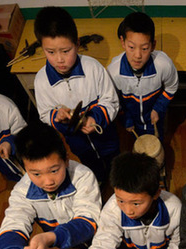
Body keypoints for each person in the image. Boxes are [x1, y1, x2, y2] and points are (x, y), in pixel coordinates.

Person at [0, 123, 101, 249]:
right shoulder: (22, 191)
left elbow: (87, 222)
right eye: (36, 174)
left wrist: (50, 237)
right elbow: (12, 225)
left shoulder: (83, 177)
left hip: (98, 236)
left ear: (66, 160)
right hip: (67, 240)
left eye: (54, 170)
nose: (48, 181)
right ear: (25, 167)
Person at [33, 6, 120, 183]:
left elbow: (111, 101)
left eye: (66, 51)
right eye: (50, 52)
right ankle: (100, 182)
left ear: (77, 44)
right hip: (78, 143)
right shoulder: (41, 80)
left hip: (106, 137)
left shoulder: (93, 67)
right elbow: (44, 114)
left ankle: (115, 180)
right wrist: (56, 117)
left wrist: (95, 119)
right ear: (42, 48)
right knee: (92, 167)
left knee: (114, 163)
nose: (59, 59)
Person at [107, 12, 179, 141]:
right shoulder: (113, 72)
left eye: (144, 48)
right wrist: (126, 117)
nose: (138, 55)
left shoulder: (163, 64)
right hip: (131, 121)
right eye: (131, 47)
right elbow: (113, 99)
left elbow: (171, 88)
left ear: (153, 45)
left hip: (155, 117)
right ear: (123, 42)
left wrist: (158, 108)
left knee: (158, 140)